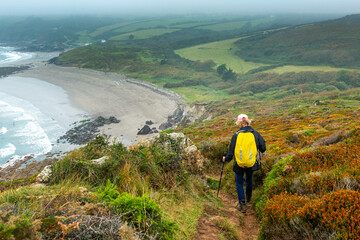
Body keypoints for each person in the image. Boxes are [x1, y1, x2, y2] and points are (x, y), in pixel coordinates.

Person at [222, 114, 266, 213]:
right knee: (249, 179)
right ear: (248, 121)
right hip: (251, 163)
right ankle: (249, 198)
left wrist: (226, 159)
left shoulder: (236, 135)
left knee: (239, 182)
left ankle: (242, 204)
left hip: (238, 164)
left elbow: (231, 152)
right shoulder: (255, 134)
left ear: (238, 123)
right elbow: (263, 149)